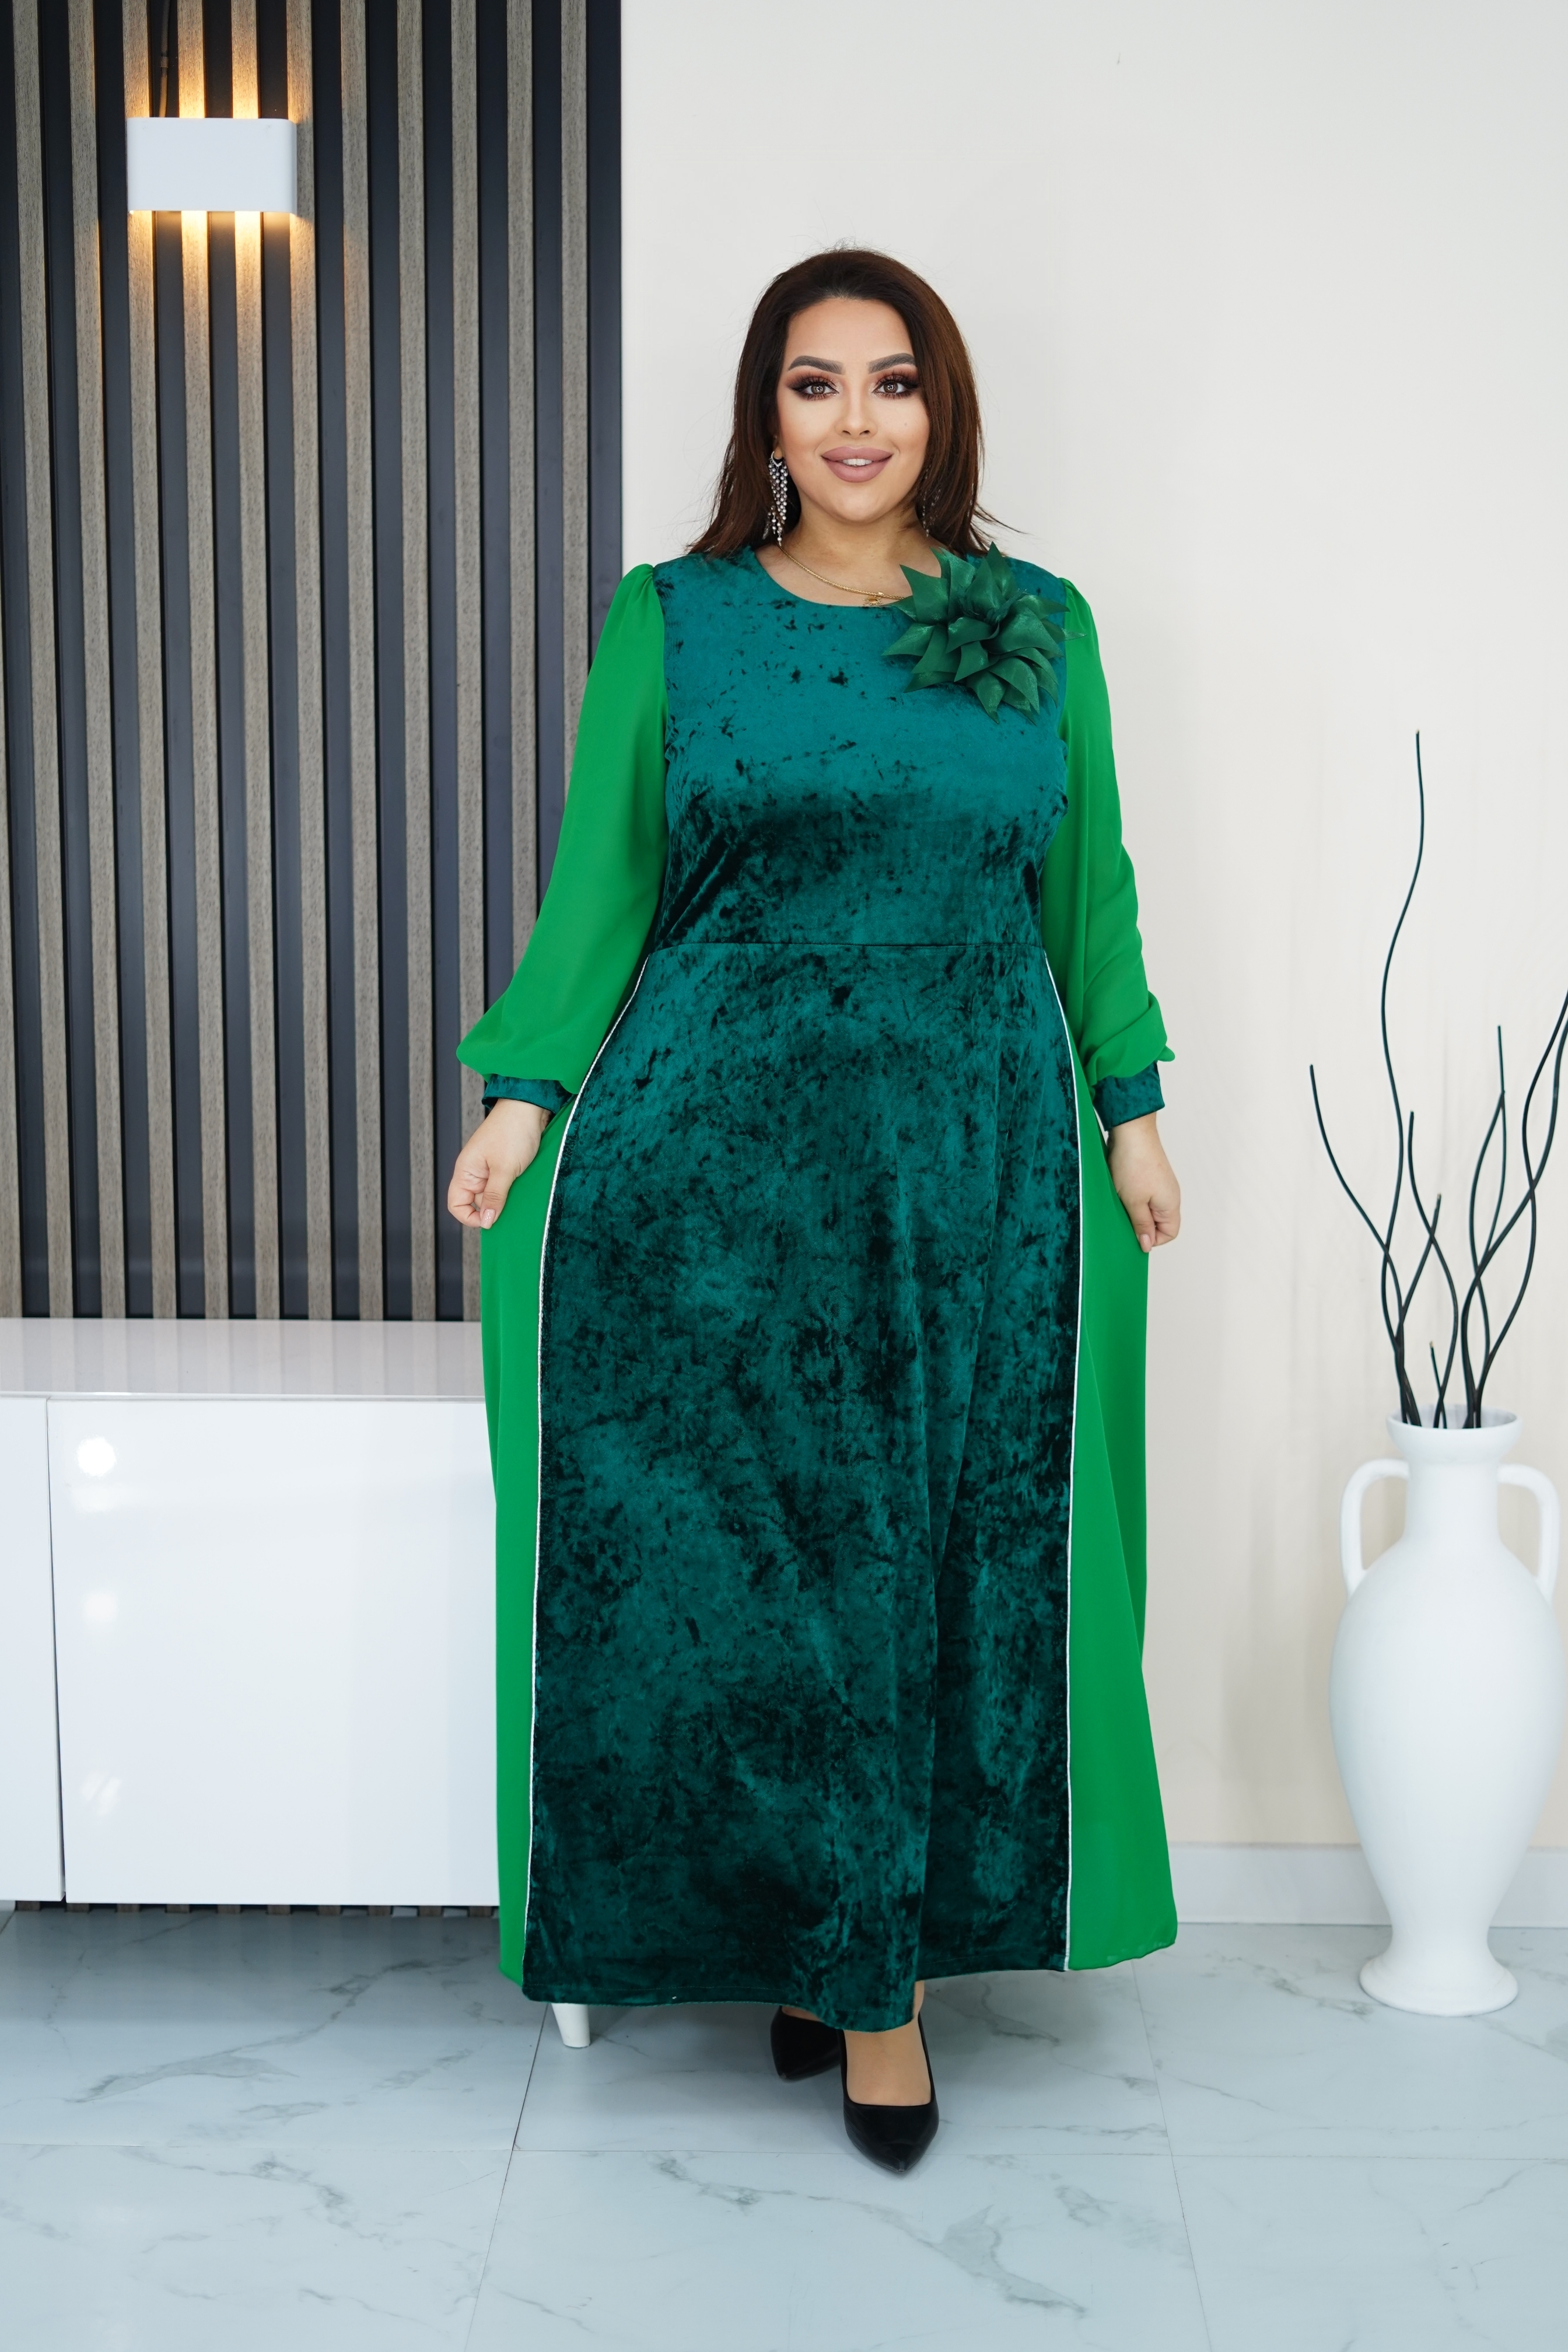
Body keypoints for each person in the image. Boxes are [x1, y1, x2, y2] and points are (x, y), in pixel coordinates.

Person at [447, 249, 1180, 2174]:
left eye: (893, 382)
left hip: (977, 1168)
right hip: (715, 1183)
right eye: (815, 383)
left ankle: (871, 1973)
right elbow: (604, 881)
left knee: (940, 1567)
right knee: (760, 1581)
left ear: (943, 408)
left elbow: (1087, 888)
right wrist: (523, 1097)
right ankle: (837, 1965)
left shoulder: (1040, 625)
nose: (857, 420)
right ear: (765, 415)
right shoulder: (673, 619)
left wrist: (1132, 1110)